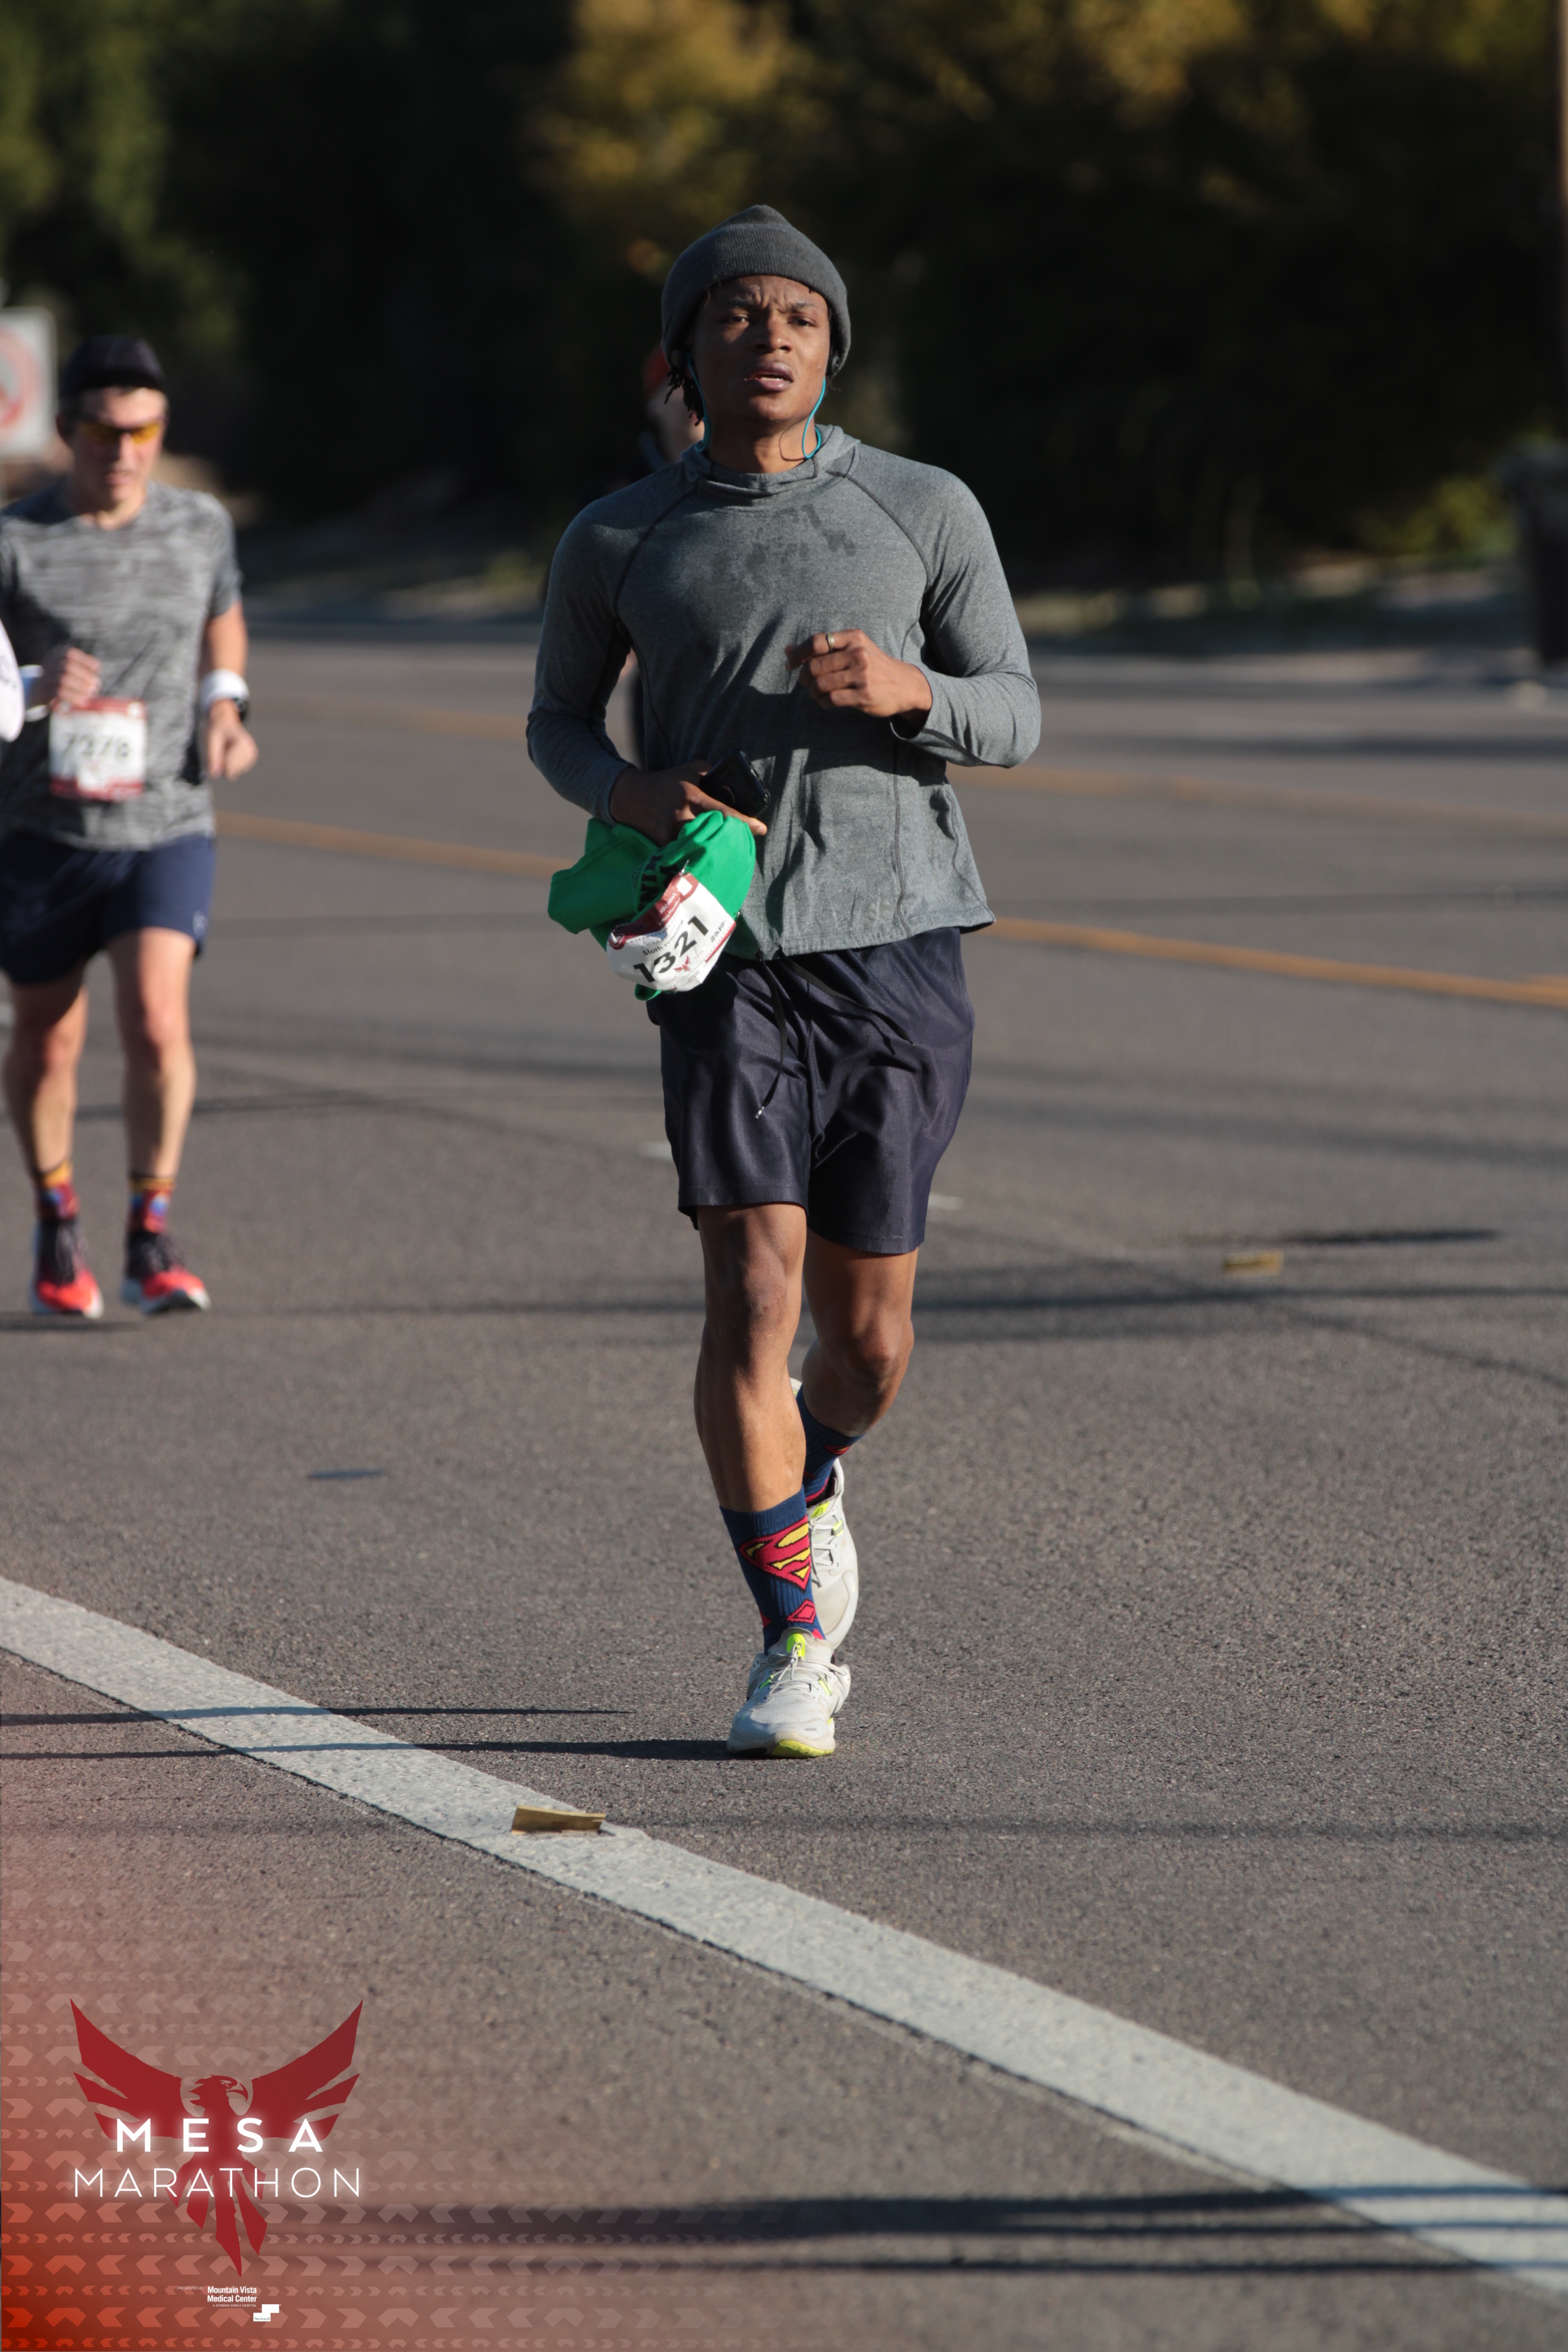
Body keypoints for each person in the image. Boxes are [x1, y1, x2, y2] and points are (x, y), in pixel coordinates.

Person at [529, 207, 1040, 1757]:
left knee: (867, 1339)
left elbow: (1016, 711)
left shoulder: (920, 507)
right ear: (682, 355)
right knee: (752, 1289)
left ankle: (814, 1467)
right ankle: (788, 1643)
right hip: (725, 954)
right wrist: (631, 790)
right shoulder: (619, 536)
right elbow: (557, 725)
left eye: (799, 318)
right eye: (737, 316)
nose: (770, 339)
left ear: (833, 348)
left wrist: (910, 690)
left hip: (898, 943)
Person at [0, 334, 257, 1318]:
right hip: (41, 828)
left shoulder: (199, 524)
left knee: (156, 1021)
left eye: (143, 431)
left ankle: (151, 1233)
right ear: (68, 431)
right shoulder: (17, 541)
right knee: (47, 1041)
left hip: (166, 817)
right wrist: (31, 685)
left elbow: (222, 613)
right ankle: (55, 1213)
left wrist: (226, 702)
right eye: (105, 432)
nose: (124, 451)